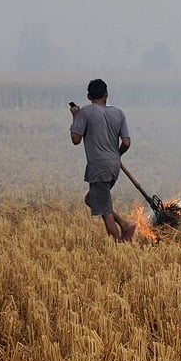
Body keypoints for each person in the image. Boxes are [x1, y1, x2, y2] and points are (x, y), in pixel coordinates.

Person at [69, 78, 136, 242]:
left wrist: (75, 117)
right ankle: (123, 223)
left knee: (105, 211)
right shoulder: (118, 113)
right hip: (114, 166)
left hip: (98, 167)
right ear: (106, 95)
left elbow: (75, 139)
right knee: (92, 199)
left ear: (88, 96)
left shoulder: (85, 112)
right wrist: (116, 155)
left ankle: (119, 240)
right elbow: (126, 142)